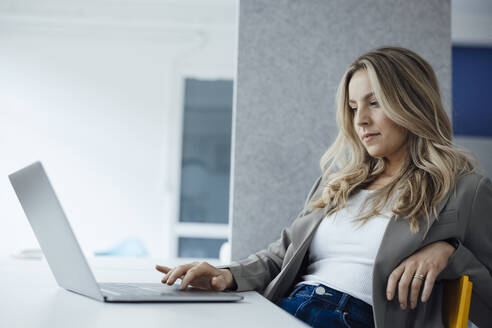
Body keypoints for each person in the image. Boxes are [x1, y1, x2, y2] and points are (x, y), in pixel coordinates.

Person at [155, 46, 492, 328]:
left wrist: (450, 255)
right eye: (353, 107)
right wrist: (224, 275)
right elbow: (280, 256)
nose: (360, 120)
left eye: (374, 103)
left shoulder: (464, 191)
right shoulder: (337, 183)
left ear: (411, 102)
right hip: (286, 310)